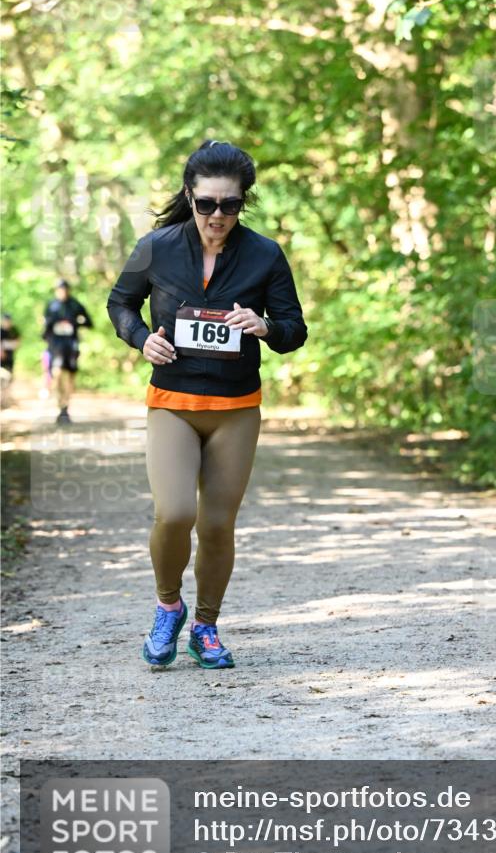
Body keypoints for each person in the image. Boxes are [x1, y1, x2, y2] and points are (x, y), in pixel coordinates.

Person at [107, 139, 307, 669]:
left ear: (244, 202)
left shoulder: (264, 254)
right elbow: (120, 303)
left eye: (230, 205)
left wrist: (265, 326)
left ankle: (206, 626)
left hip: (236, 407)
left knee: (217, 525)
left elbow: (295, 330)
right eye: (206, 204)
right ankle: (169, 605)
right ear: (189, 198)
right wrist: (140, 337)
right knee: (174, 513)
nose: (218, 215)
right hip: (173, 402)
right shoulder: (157, 246)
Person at [42, 279, 93, 424]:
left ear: (68, 290)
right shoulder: (51, 306)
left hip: (71, 346)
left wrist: (75, 322)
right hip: (56, 346)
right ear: (56, 290)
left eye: (65, 289)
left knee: (70, 377)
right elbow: (45, 328)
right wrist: (51, 327)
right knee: (57, 375)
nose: (62, 292)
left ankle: (66, 408)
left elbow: (89, 322)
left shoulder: (75, 304)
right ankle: (60, 407)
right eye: (60, 289)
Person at [0, 311, 21, 404]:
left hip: (10, 358)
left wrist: (12, 345)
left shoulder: (14, 330)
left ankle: (6, 398)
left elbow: (18, 341)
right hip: (1, 360)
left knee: (9, 378)